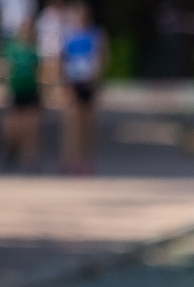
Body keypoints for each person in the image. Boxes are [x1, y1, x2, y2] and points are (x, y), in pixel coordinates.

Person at [59, 1, 106, 175]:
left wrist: (97, 80)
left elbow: (101, 57)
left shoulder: (95, 34)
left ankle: (86, 159)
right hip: (73, 83)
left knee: (87, 125)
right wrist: (64, 83)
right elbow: (62, 60)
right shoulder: (68, 35)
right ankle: (70, 159)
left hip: (89, 82)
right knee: (72, 124)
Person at [1, 21, 42, 170]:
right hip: (16, 90)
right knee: (13, 125)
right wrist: (2, 88)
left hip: (30, 90)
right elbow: (5, 69)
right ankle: (12, 150)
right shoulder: (12, 49)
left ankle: (30, 159)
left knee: (31, 126)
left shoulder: (34, 51)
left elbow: (39, 73)